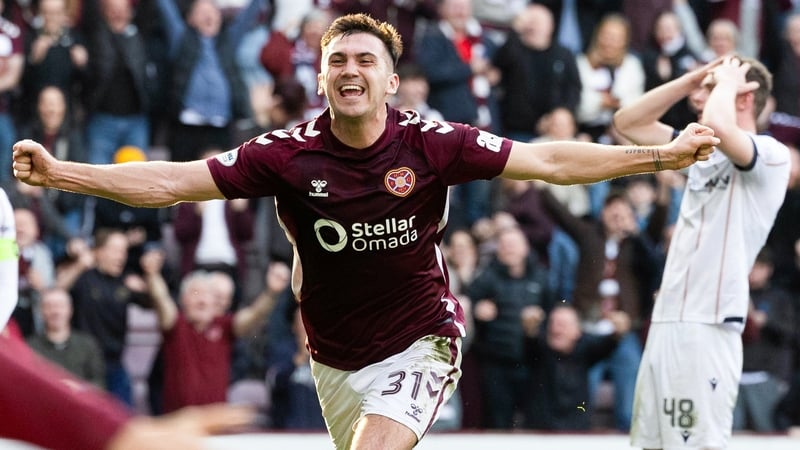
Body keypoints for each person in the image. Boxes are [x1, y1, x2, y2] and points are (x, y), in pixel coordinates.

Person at [12, 13, 720, 450]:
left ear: (390, 83)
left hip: (421, 338)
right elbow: (172, 181)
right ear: (321, 81)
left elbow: (550, 162)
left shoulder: (433, 141)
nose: (350, 71)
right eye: (337, 62)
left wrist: (660, 157)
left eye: (365, 61)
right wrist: (62, 173)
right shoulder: (287, 154)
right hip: (334, 355)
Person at [613, 55, 791, 448]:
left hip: (708, 324)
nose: (698, 97)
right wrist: (692, 78)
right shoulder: (700, 153)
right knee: (651, 445)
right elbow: (628, 123)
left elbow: (720, 126)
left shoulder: (771, 153)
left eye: (709, 89)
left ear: (745, 96)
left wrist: (726, 81)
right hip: (667, 320)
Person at [142, 250, 288, 413]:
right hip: (179, 420)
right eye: (195, 293)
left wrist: (271, 293)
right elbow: (161, 300)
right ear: (183, 300)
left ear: (215, 302)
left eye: (207, 294)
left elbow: (254, 315)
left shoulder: (224, 326)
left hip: (215, 421)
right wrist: (152, 275)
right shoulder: (175, 324)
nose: (202, 300)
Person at [26, 286, 106, 388]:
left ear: (70, 309)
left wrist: (79, 388)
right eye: (49, 306)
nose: (55, 312)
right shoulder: (30, 347)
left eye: (60, 306)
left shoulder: (87, 345)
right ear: (41, 311)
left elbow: (99, 384)